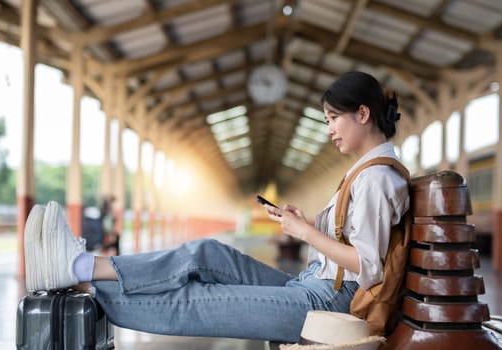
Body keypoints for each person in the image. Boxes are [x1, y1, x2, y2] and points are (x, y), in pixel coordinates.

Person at [23, 71, 409, 343]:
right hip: (313, 286)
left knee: (196, 301)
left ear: (362, 114)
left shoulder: (376, 177)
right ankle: (84, 266)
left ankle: (77, 275)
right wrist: (307, 225)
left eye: (332, 118)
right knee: (207, 253)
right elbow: (356, 247)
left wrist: (306, 233)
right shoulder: (366, 173)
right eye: (326, 120)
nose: (328, 130)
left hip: (327, 302)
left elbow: (368, 266)